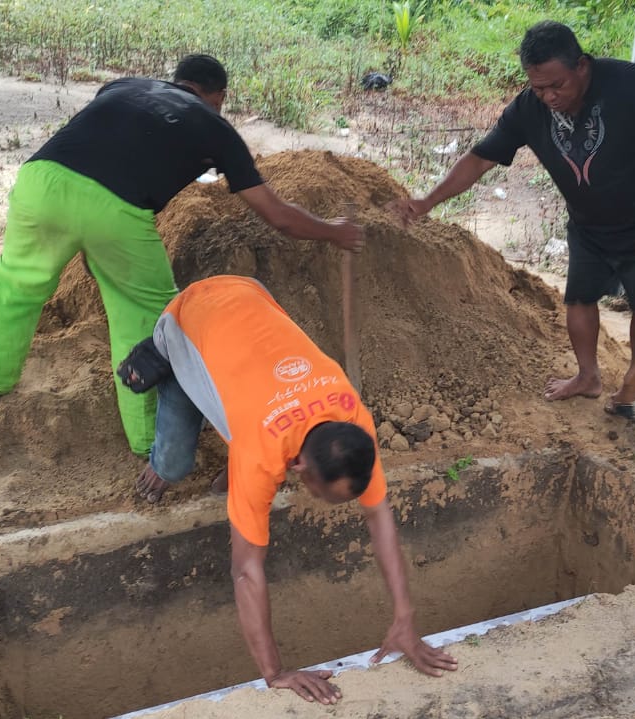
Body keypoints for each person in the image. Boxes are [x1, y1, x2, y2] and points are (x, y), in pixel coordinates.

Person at [0, 55, 363, 461]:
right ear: (219, 96)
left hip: (40, 181)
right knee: (148, 318)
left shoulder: (123, 86)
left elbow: (106, 148)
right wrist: (336, 231)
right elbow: (279, 216)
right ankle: (148, 442)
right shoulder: (217, 129)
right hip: (116, 211)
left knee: (13, 285)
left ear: (178, 81)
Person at [123, 275, 458, 704]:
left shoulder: (354, 425)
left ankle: (227, 447)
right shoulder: (262, 451)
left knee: (243, 422)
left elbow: (380, 516)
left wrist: (405, 618)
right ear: (298, 466)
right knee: (174, 463)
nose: (329, 504)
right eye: (325, 495)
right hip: (190, 318)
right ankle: (161, 354)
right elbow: (245, 570)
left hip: (251, 294)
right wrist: (274, 671)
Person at [391, 21, 635, 407]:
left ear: (582, 66)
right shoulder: (529, 108)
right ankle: (588, 376)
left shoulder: (630, 83)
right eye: (538, 87)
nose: (548, 96)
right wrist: (427, 201)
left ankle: (634, 380)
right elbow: (479, 159)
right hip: (589, 224)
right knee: (578, 298)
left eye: (557, 85)